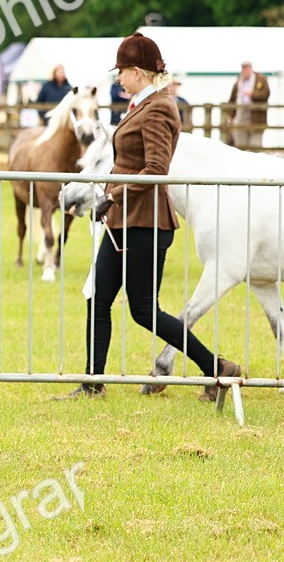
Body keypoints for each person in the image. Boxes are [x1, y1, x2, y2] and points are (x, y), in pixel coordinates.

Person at [58, 34, 240, 400]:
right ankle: (93, 383)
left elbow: (157, 168)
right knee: (99, 299)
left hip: (146, 220)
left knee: (143, 310)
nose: (118, 79)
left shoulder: (159, 108)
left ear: (138, 72)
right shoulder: (140, 104)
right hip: (123, 218)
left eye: (122, 72)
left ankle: (217, 368)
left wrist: (111, 194)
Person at [226, 61, 270, 148]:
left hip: (256, 117)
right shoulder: (238, 82)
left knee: (255, 146)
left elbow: (266, 94)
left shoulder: (261, 80)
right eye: (243, 68)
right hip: (240, 116)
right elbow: (232, 100)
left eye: (247, 68)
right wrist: (230, 115)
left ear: (251, 68)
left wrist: (252, 94)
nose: (245, 70)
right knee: (240, 146)